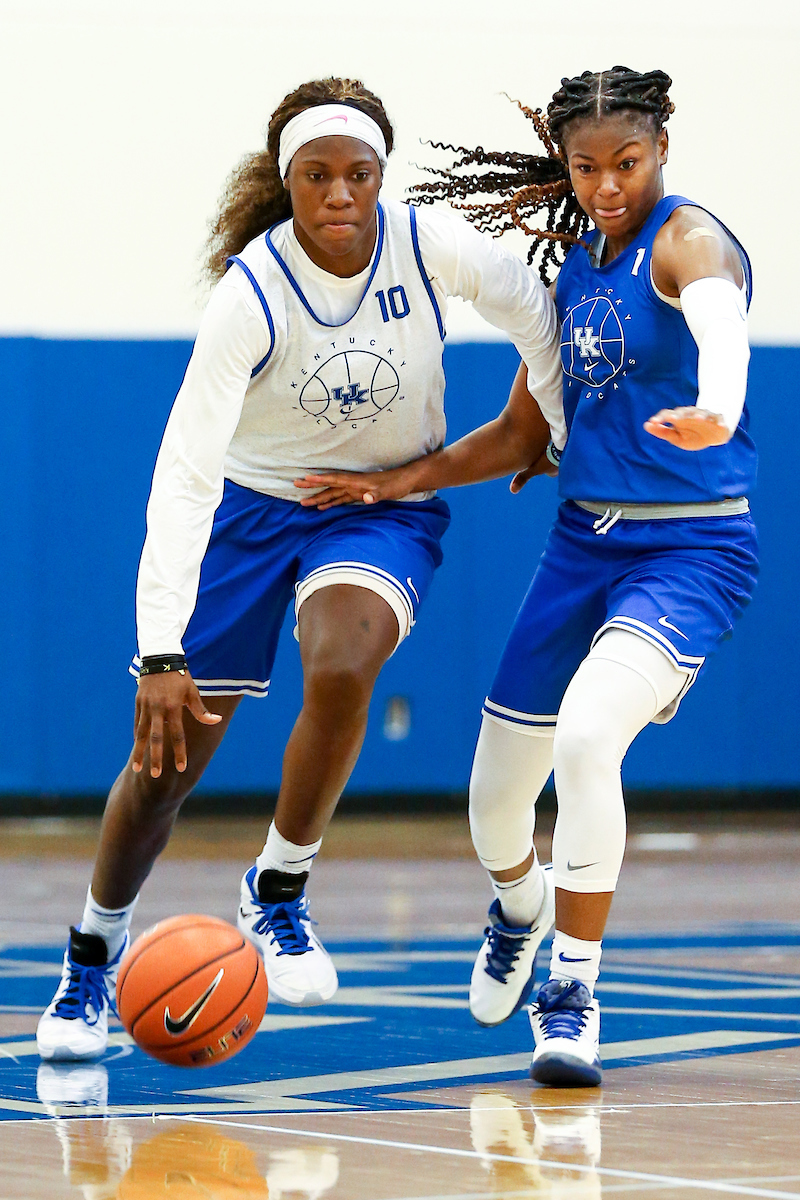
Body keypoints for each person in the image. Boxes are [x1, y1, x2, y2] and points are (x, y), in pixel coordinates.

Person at [36, 76, 564, 1061]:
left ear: (379, 177)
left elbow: (535, 307)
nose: (338, 194)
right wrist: (157, 655)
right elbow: (185, 475)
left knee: (342, 657)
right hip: (250, 506)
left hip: (377, 507)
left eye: (356, 174)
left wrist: (551, 425)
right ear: (289, 183)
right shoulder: (252, 292)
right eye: (315, 176)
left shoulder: (425, 244)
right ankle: (88, 963)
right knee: (162, 773)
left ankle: (278, 886)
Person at [294, 67, 758, 1088]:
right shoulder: (573, 273)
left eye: (625, 164)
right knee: (495, 808)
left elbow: (720, 319)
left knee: (591, 741)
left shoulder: (685, 240)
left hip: (689, 550)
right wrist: (396, 481)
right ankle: (517, 906)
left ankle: (573, 991)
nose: (605, 186)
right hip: (579, 549)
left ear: (661, 149)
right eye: (585, 166)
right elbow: (517, 432)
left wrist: (718, 407)